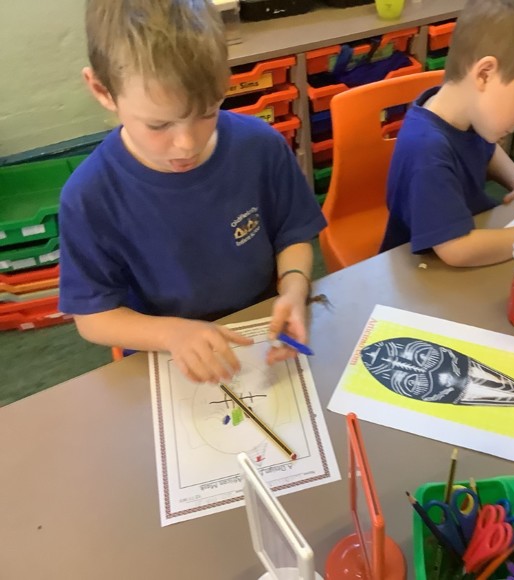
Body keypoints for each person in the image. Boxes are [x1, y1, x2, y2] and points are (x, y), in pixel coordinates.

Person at [58, 0, 326, 383]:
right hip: (166, 350)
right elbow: (93, 317)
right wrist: (171, 334)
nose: (187, 144)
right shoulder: (89, 196)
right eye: (159, 125)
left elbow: (292, 235)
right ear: (103, 90)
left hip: (260, 327)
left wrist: (295, 287)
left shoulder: (260, 146)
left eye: (207, 113)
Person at [380, 0, 514, 267]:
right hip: (426, 269)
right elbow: (457, 250)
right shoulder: (426, 149)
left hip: (474, 229)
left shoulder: (463, 113)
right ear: (485, 74)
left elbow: (485, 148)